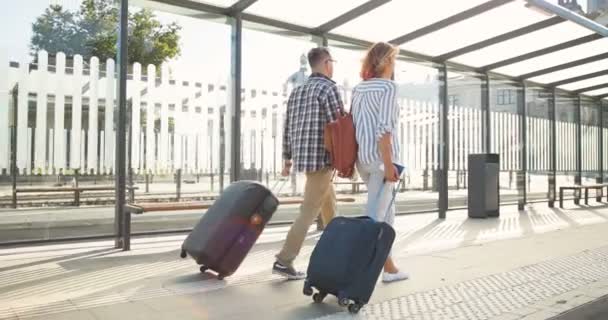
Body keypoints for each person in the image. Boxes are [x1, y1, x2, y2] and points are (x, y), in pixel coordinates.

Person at [273, 47, 344, 280]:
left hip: (305, 159)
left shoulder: (297, 92)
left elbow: (287, 129)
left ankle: (340, 254)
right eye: (331, 62)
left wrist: (287, 159)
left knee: (330, 207)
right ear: (326, 64)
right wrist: (346, 160)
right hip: (322, 160)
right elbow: (339, 126)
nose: (332, 66)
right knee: (308, 211)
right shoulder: (329, 88)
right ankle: (284, 260)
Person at [351, 42, 409, 283]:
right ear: (386, 61)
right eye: (393, 60)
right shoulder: (388, 87)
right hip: (381, 161)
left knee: (386, 214)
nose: (394, 65)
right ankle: (357, 270)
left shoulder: (358, 89)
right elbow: (384, 130)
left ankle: (389, 268)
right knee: (375, 217)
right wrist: (388, 164)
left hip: (362, 160)